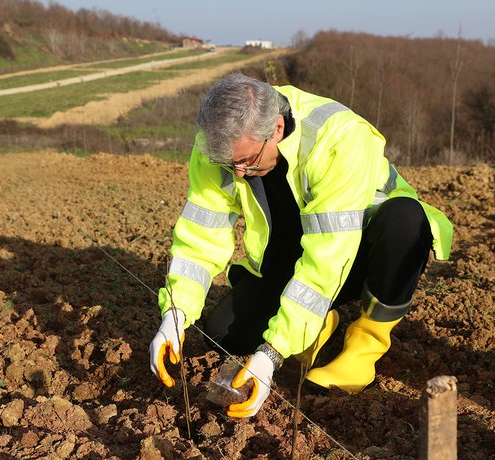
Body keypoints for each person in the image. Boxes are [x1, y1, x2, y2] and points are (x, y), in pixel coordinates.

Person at [149, 73, 453, 418]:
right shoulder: (219, 146)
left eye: (247, 161)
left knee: (405, 222)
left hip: (361, 251)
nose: (237, 173)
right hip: (294, 251)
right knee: (226, 333)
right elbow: (200, 238)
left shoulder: (340, 138)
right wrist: (175, 315)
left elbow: (329, 257)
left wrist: (272, 354)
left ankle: (365, 346)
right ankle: (317, 326)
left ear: (276, 129)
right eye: (227, 164)